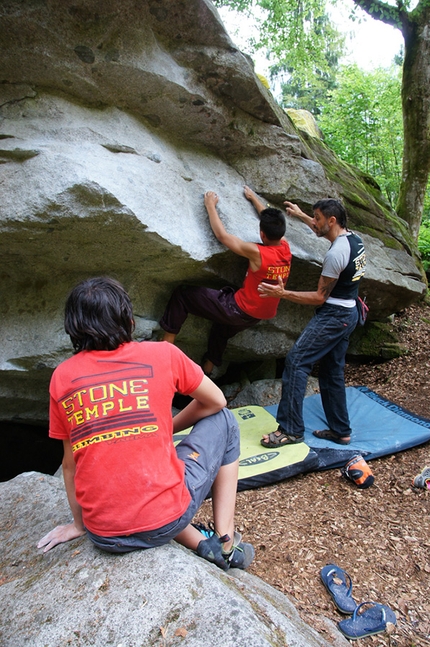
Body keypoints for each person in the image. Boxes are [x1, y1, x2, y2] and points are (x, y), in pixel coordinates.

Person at [37, 276, 254, 571]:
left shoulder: (62, 377)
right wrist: (170, 426)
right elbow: (217, 401)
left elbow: (69, 463)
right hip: (164, 521)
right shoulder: (161, 354)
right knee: (226, 421)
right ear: (129, 318)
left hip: (103, 534)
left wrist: (79, 525)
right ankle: (226, 544)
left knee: (139, 473)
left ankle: (203, 545)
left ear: (74, 327)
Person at [258, 198, 366, 447]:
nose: (314, 222)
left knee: (296, 362)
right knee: (331, 372)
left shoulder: (337, 253)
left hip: (334, 316)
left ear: (332, 221)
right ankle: (341, 430)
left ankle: (291, 430)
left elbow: (319, 296)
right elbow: (323, 230)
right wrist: (299, 215)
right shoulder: (354, 239)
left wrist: (282, 294)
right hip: (349, 313)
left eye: (317, 218)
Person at [160, 186, 292, 375]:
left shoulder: (258, 253)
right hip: (256, 316)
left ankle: (166, 349)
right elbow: (271, 221)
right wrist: (253, 199)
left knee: (183, 295)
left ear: (262, 234)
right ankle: (208, 371)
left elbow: (222, 236)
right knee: (221, 329)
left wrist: (210, 205)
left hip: (237, 309)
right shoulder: (286, 248)